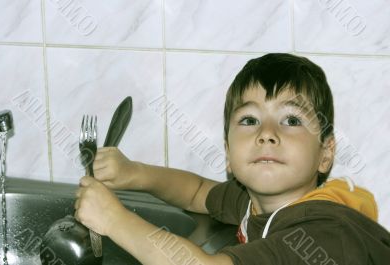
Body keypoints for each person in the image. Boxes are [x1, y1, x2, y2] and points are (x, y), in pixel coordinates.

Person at [74, 53, 390, 264]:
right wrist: (136, 174)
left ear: (325, 154)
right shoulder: (256, 202)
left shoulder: (319, 231)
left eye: (291, 121)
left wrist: (114, 220)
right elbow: (196, 191)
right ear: (228, 153)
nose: (267, 133)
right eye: (250, 120)